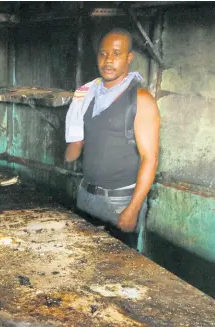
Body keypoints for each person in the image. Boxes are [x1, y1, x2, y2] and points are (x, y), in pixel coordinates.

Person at [64, 28, 160, 251]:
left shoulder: (140, 99)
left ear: (129, 58)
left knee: (117, 274)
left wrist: (133, 209)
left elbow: (150, 159)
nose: (108, 60)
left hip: (120, 202)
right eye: (103, 54)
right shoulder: (87, 94)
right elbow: (79, 142)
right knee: (79, 262)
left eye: (116, 54)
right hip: (86, 195)